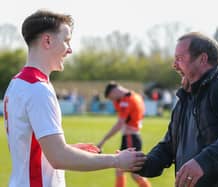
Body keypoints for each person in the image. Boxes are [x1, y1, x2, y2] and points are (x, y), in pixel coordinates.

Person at [2, 10, 145, 187]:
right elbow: (58, 157)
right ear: (47, 40)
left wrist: (71, 150)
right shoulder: (38, 89)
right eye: (66, 41)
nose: (70, 49)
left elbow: (32, 147)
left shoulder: (17, 83)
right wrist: (116, 160)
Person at [136, 32, 218, 187]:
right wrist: (140, 164)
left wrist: (204, 161)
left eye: (179, 59)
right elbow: (169, 147)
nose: (174, 65)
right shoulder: (186, 97)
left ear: (202, 59)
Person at [97, 82, 151, 187]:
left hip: (130, 137)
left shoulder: (126, 101)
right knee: (121, 169)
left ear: (114, 91)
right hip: (132, 136)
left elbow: (120, 124)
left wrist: (103, 141)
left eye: (111, 98)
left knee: (132, 172)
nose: (112, 101)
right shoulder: (136, 96)